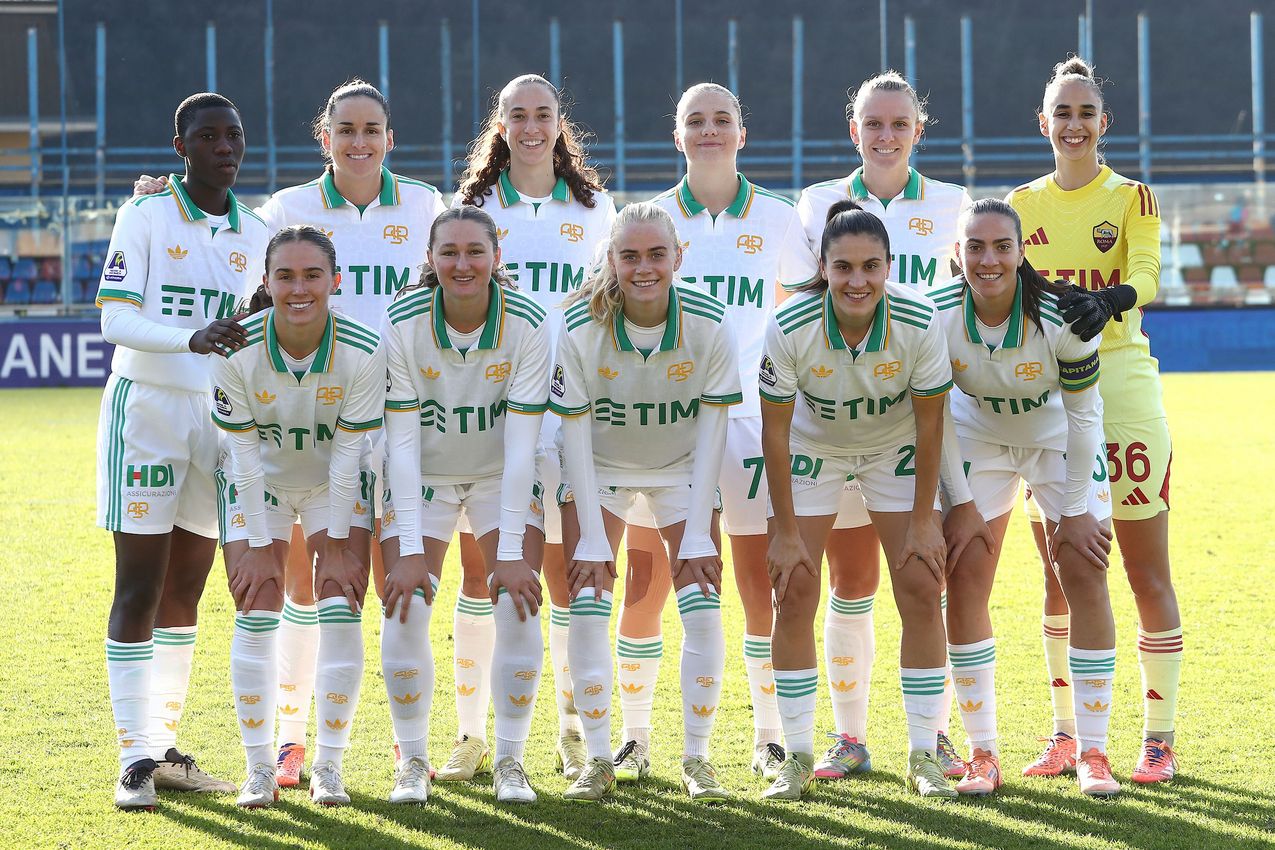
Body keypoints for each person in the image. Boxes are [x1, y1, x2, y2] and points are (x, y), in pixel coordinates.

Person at [134, 79, 446, 789]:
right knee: (283, 591)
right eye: (346, 130)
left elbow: (467, 262)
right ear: (324, 137)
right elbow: (217, 236)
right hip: (285, 423)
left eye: (372, 130)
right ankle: (291, 746)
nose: (359, 141)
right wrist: (158, 198)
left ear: (389, 139)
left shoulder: (428, 205)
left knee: (376, 587)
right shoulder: (284, 211)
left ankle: (406, 743)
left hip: (389, 422)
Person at [602, 82, 817, 784]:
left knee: (757, 582)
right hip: (663, 424)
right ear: (676, 134)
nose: (709, 131)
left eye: (722, 119)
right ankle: (634, 739)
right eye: (694, 120)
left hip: (752, 422)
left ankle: (766, 737)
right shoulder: (651, 218)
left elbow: (806, 312)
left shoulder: (782, 219)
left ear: (741, 132)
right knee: (647, 580)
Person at [1010, 57, 1182, 785]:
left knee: (1144, 571)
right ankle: (1064, 734)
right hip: (1048, 407)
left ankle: (1158, 737)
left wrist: (1109, 301)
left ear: (1101, 124)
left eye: (1085, 112)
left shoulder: (1131, 197)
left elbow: (1144, 272)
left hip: (1124, 398)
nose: (1073, 124)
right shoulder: (1019, 205)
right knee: (1059, 573)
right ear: (1042, 123)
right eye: (1061, 112)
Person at [795, 72, 973, 779]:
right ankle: (848, 737)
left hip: (927, 420)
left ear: (917, 130)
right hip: (838, 419)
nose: (885, 134)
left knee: (926, 578)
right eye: (872, 123)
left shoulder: (954, 205)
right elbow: (799, 302)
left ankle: (933, 739)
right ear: (853, 130)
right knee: (849, 577)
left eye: (898, 123)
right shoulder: (816, 205)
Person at [97, 92, 265, 810]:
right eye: (207, 136)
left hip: (218, 417)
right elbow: (112, 318)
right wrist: (191, 338)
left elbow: (254, 320)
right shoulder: (144, 214)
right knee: (137, 586)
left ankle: (162, 748)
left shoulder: (255, 230)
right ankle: (132, 759)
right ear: (180, 147)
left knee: (185, 591)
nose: (224, 147)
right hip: (149, 410)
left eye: (233, 136)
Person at [446, 73, 615, 783]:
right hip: (489, 413)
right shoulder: (472, 207)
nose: (531, 126)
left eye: (542, 114)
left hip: (576, 412)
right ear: (501, 124)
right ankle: (468, 734)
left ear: (558, 122)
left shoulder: (596, 208)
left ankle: (572, 734)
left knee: (574, 575)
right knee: (483, 574)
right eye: (517, 115)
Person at [760, 199, 954, 801]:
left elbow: (931, 426)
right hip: (815, 447)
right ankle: (794, 755)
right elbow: (774, 430)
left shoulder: (919, 321)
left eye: (871, 266)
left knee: (921, 583)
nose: (858, 280)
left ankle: (924, 753)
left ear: (889, 266)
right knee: (793, 588)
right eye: (843, 267)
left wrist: (925, 520)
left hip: (891, 447)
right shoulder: (790, 325)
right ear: (823, 267)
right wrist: (785, 530)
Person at [551, 202, 740, 802]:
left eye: (656, 254)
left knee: (703, 601)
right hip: (598, 468)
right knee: (586, 597)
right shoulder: (582, 325)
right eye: (629, 256)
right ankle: (600, 758)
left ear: (678, 257)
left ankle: (697, 757)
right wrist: (586, 536)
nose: (643, 268)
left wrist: (700, 528)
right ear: (611, 260)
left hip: (682, 469)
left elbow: (713, 430)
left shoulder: (710, 322)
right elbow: (574, 434)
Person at [932, 198, 1118, 796]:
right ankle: (982, 752)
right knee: (963, 578)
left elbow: (1087, 416)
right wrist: (958, 502)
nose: (989, 259)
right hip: (977, 444)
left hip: (1058, 442)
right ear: (956, 255)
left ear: (1020, 253)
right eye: (976, 247)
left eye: (1001, 246)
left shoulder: (1061, 314)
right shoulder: (933, 316)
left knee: (1083, 574)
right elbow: (932, 419)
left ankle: (1093, 752)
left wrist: (1075, 510)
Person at [379, 205, 550, 804]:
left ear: (497, 258)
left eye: (475, 251)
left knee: (518, 598)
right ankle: (414, 762)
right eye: (448, 252)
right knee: (405, 602)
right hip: (420, 474)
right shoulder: (402, 319)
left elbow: (525, 442)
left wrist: (508, 554)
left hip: (500, 474)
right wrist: (403, 550)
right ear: (430, 260)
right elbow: (399, 441)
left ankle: (509, 760)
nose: (462, 263)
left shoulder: (527, 321)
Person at [213, 225, 385, 808]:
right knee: (257, 601)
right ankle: (259, 769)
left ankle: (329, 767)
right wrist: (260, 541)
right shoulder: (236, 347)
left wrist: (335, 540)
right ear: (266, 282)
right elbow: (240, 455)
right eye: (284, 275)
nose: (299, 287)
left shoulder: (362, 348)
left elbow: (346, 457)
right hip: (256, 481)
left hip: (330, 483)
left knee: (339, 601)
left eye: (312, 275)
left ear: (335, 281)